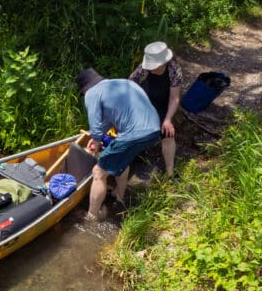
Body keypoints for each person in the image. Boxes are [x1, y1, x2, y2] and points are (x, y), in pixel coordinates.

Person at [75, 68, 161, 220]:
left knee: (99, 171)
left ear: (84, 89)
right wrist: (98, 136)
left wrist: (96, 144)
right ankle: (119, 196)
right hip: (154, 129)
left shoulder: (92, 93)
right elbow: (109, 119)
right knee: (122, 157)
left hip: (134, 133)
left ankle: (92, 216)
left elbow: (95, 124)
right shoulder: (123, 82)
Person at [129, 41, 183, 176]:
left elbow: (174, 98)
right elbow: (129, 87)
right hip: (144, 104)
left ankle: (170, 172)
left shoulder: (174, 70)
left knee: (168, 135)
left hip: (164, 104)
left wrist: (168, 119)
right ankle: (136, 158)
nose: (151, 69)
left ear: (164, 63)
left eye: (155, 66)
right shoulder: (142, 70)